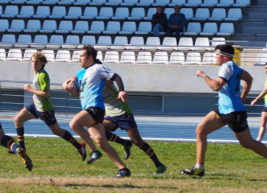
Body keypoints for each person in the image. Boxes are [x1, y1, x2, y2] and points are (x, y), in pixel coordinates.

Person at [181, 44, 267, 177]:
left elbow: (216, 86)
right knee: (201, 130)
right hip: (223, 109)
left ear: (224, 56)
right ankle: (199, 168)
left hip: (233, 112)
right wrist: (243, 97)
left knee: (248, 143)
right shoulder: (233, 67)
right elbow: (249, 78)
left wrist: (204, 75)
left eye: (217, 54)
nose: (216, 57)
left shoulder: (226, 66)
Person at [62, 45, 131, 177]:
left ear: (90, 57)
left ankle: (93, 151)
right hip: (88, 109)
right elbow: (77, 93)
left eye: (82, 56)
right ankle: (123, 169)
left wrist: (121, 90)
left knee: (74, 124)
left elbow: (116, 77)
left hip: (95, 108)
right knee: (102, 142)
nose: (79, 59)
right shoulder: (80, 73)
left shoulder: (98, 68)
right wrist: (69, 88)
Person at [13, 51, 86, 163]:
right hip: (36, 107)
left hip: (45, 110)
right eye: (32, 61)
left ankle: (79, 146)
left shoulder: (43, 75)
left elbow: (46, 94)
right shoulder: (36, 73)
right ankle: (22, 148)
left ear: (42, 63)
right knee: (18, 119)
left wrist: (30, 90)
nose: (33, 64)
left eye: (36, 62)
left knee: (57, 131)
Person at [102, 80, 166, 174]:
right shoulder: (88, 82)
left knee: (137, 141)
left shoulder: (102, 78)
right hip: (110, 116)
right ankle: (124, 143)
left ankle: (158, 164)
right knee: (99, 129)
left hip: (123, 113)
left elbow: (111, 80)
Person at [251, 62, 267, 141]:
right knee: (263, 122)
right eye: (265, 68)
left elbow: (266, 90)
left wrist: (256, 99)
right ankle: (258, 140)